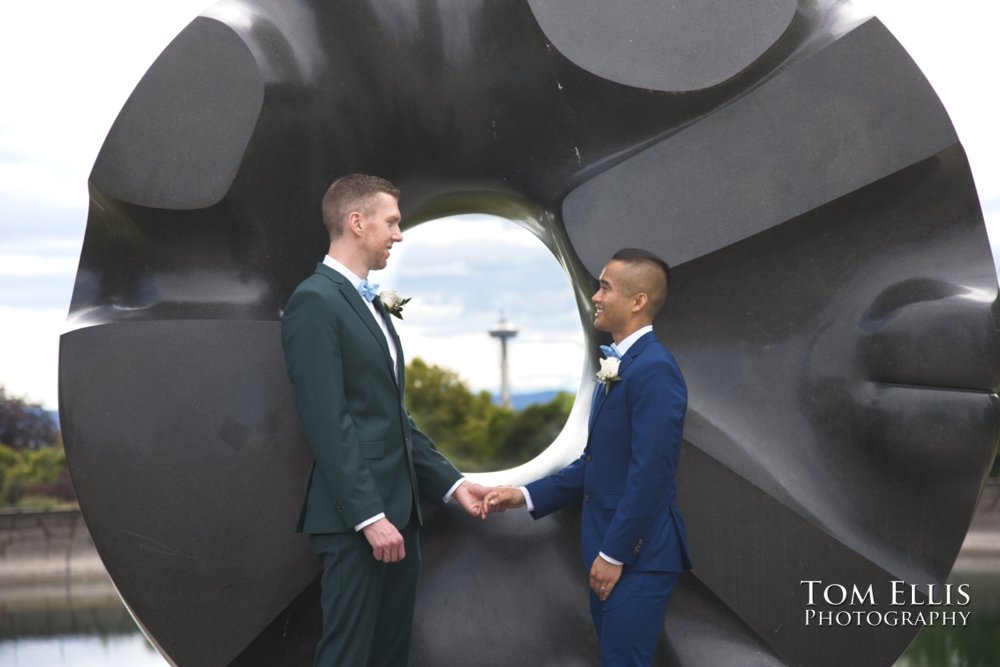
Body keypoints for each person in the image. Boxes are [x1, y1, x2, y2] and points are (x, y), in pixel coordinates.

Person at [281, 173, 490, 666]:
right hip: (358, 522)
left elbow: (392, 418)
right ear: (357, 222)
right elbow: (326, 420)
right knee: (348, 658)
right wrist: (369, 517)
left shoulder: (367, 300)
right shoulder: (315, 301)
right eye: (392, 222)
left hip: (400, 516)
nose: (399, 234)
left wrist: (453, 483)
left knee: (389, 656)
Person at [486, 248, 691, 666]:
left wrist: (615, 555)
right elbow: (596, 463)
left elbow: (651, 473)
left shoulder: (654, 368)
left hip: (637, 558)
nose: (595, 296)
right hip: (610, 554)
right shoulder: (619, 366)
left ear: (637, 301)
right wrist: (522, 495)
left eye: (605, 287)